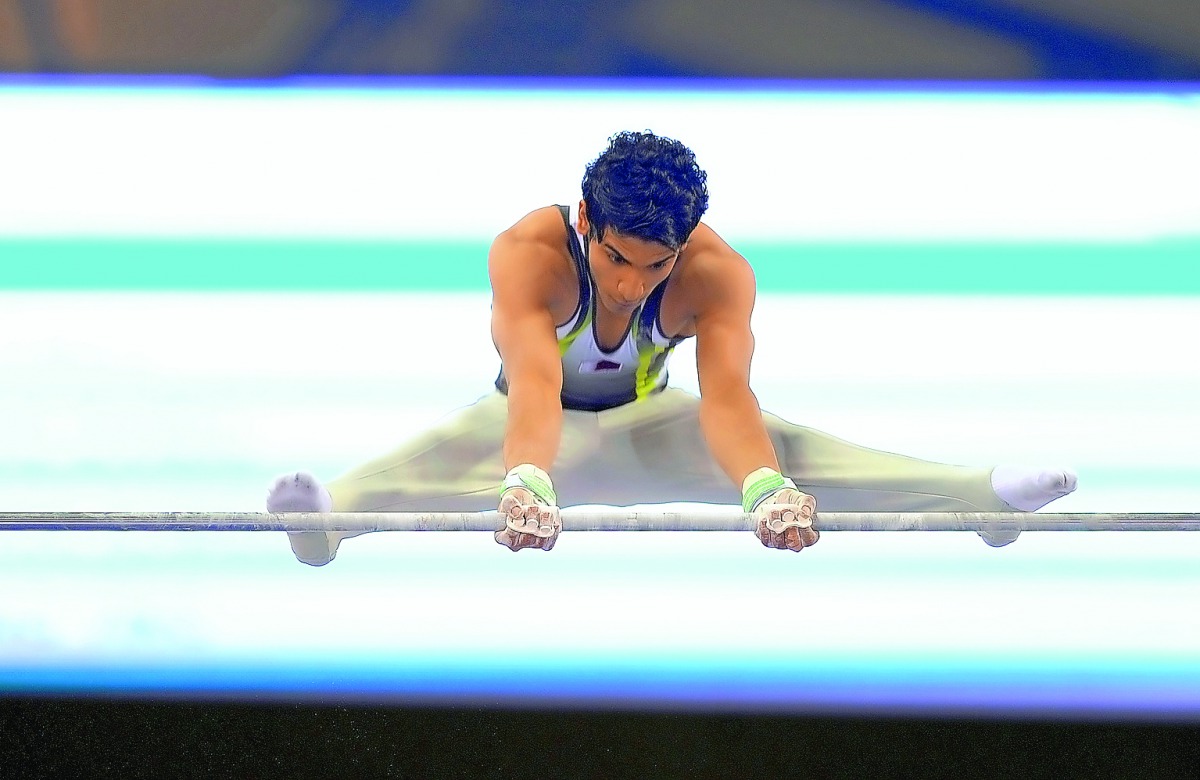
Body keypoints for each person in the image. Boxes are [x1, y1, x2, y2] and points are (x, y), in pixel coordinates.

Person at [267, 130, 1077, 565]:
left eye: (656, 267)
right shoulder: (528, 252)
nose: (629, 286)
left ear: (685, 245)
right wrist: (527, 481)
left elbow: (729, 398)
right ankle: (325, 528)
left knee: (791, 451)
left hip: (651, 431)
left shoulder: (717, 274)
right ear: (587, 221)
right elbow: (537, 381)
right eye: (617, 259)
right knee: (436, 455)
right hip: (524, 428)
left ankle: (982, 505)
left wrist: (764, 490)